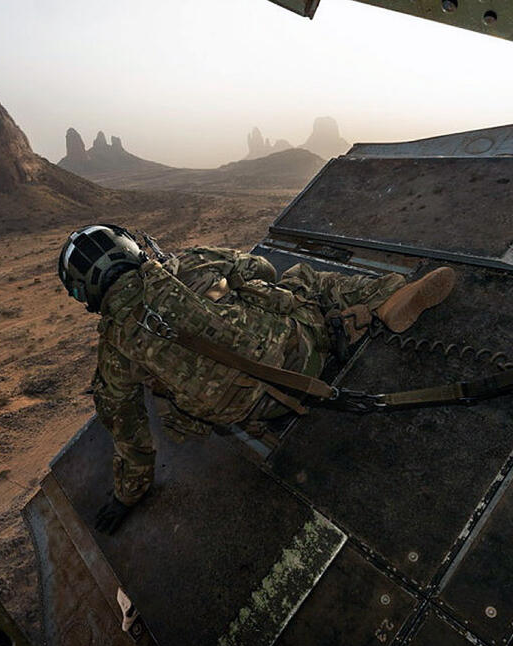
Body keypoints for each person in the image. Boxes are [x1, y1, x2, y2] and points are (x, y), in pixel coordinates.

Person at [57, 224, 456, 534]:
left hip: (252, 410)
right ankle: (384, 298)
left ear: (85, 291)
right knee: (300, 278)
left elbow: (131, 438)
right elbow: (261, 268)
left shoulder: (112, 353)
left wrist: (127, 497)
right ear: (129, 248)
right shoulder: (191, 263)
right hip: (302, 356)